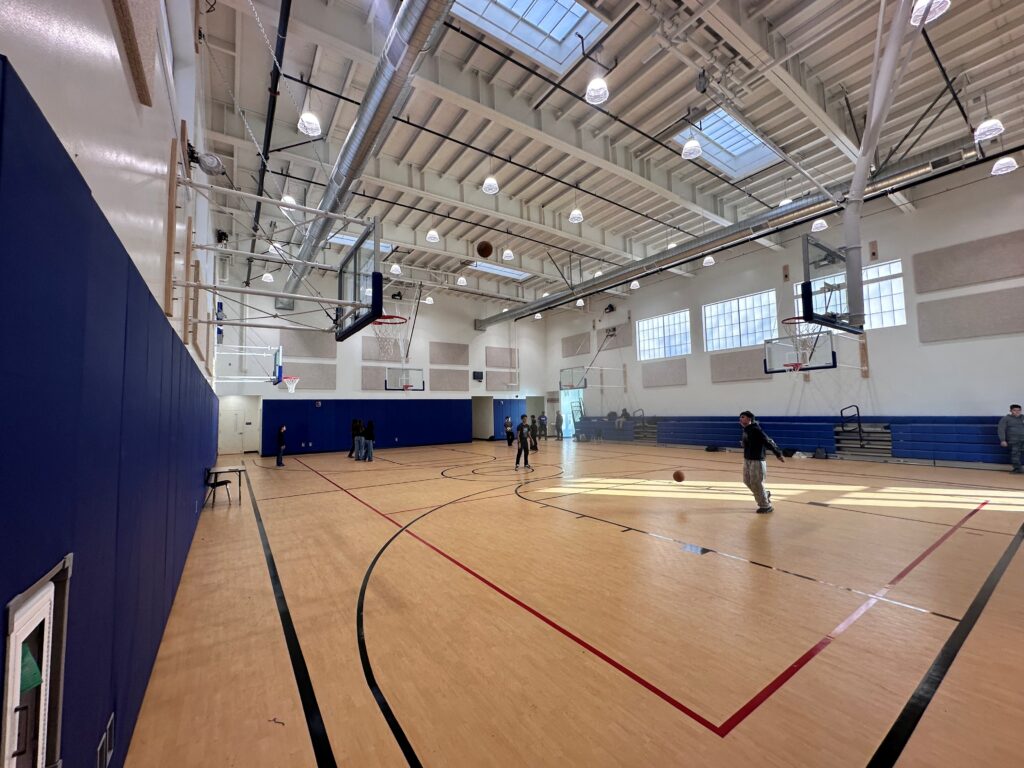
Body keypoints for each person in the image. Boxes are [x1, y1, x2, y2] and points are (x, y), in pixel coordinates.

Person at [739, 410, 784, 513]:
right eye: (740, 417)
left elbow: (768, 441)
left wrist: (778, 453)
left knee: (756, 482)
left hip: (757, 460)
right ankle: (765, 494)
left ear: (749, 419)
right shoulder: (746, 430)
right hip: (747, 459)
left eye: (743, 417)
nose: (740, 419)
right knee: (747, 481)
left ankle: (766, 506)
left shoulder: (755, 429)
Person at [998, 403, 1024, 473]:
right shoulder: (1006, 419)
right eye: (1015, 410)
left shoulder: (1023, 418)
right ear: (1010, 410)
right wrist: (1003, 440)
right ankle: (1018, 469)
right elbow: (1001, 429)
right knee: (1015, 456)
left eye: (1019, 410)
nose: (1017, 412)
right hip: (1014, 441)